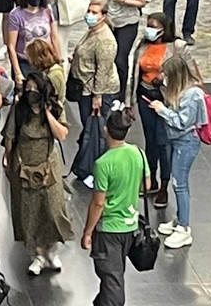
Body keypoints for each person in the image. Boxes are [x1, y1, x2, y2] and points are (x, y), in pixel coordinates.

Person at [2, 72, 72, 275]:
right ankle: (37, 254)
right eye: (28, 88)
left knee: (52, 208)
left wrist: (47, 113)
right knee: (29, 212)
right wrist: (8, 161)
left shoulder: (56, 107)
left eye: (35, 89)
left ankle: (52, 250)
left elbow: (62, 134)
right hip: (24, 164)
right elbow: (9, 137)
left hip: (48, 164)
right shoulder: (19, 109)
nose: (31, 92)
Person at [128, 12, 198, 209]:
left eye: (154, 26)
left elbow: (190, 74)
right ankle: (151, 179)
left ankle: (164, 186)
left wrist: (164, 79)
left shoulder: (177, 47)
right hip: (144, 96)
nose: (149, 29)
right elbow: (134, 75)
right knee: (150, 139)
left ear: (163, 29)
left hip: (166, 99)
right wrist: (128, 102)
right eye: (148, 25)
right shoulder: (142, 46)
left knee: (164, 142)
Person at [81, 109, 147, 306]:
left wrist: (87, 232)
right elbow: (147, 185)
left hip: (109, 230)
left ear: (106, 129)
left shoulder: (103, 163)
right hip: (130, 226)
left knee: (112, 284)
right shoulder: (138, 153)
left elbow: (98, 202)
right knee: (113, 276)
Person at [148, 56, 208, 248]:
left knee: (180, 183)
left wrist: (162, 110)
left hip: (187, 143)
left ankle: (184, 227)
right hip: (177, 141)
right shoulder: (180, 90)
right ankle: (180, 218)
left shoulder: (192, 95)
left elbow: (183, 122)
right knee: (177, 183)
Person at [97, 0, 147, 96]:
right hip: (110, 21)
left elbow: (141, 2)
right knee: (108, 55)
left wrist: (124, 0)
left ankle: (121, 92)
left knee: (121, 57)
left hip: (128, 22)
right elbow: (101, 0)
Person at [72, 0, 121, 136]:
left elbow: (103, 70)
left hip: (97, 91)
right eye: (89, 11)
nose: (90, 15)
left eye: (94, 12)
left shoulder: (105, 40)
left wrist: (97, 96)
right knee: (87, 125)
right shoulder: (92, 31)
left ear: (103, 16)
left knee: (95, 130)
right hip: (85, 86)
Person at [5, 0, 61, 85]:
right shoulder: (16, 15)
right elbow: (11, 46)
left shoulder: (47, 10)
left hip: (46, 61)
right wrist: (17, 73)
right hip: (26, 62)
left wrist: (58, 61)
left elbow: (54, 37)